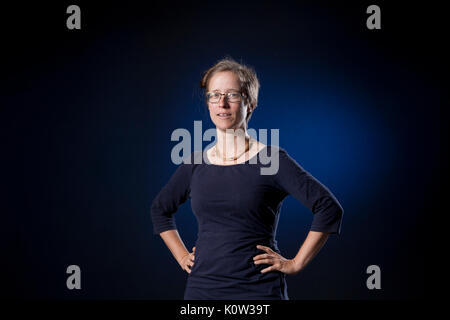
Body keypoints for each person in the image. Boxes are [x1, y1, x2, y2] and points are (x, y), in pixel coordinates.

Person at [151, 57, 344, 300]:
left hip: (259, 291)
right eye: (214, 95)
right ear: (209, 102)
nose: (222, 103)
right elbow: (160, 210)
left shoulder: (271, 160)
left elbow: (328, 208)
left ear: (250, 103)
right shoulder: (194, 163)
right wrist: (181, 255)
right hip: (203, 290)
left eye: (232, 94)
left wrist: (295, 263)